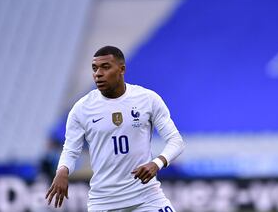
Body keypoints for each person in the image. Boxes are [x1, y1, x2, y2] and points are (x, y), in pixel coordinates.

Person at [45, 46, 185, 212]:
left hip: (147, 197)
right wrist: (62, 171)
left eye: (105, 67)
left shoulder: (147, 99)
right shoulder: (81, 108)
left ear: (121, 69)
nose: (98, 73)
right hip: (104, 202)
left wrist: (157, 163)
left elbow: (176, 141)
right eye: (95, 68)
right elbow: (70, 150)